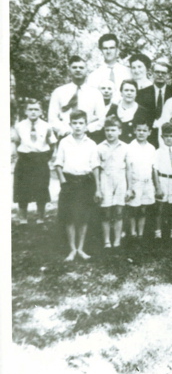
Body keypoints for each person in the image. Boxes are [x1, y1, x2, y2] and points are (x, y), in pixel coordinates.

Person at [54, 110, 100, 261]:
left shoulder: (91, 144)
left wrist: (98, 188)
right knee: (69, 217)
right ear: (70, 124)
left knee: (83, 217)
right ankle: (72, 249)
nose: (78, 126)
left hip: (86, 183)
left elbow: (95, 167)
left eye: (81, 123)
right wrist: (63, 182)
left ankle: (81, 248)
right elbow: (58, 164)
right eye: (75, 123)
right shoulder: (64, 142)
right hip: (69, 183)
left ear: (86, 125)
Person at [13, 99, 56, 225]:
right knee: (22, 188)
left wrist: (44, 158)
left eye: (36, 109)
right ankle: (23, 218)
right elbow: (16, 142)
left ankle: (41, 217)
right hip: (25, 159)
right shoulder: (19, 126)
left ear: (41, 111)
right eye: (30, 109)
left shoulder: (46, 126)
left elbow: (52, 144)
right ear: (25, 111)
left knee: (41, 188)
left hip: (40, 159)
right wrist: (22, 155)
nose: (33, 112)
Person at [49, 55, 106, 139]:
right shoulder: (59, 92)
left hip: (89, 136)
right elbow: (52, 118)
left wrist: (86, 129)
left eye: (81, 67)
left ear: (86, 70)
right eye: (74, 67)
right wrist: (65, 130)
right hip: (65, 136)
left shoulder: (95, 93)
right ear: (69, 70)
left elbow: (101, 118)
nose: (78, 69)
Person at [97, 117, 128, 248]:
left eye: (113, 130)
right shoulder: (99, 147)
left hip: (120, 180)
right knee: (106, 212)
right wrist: (98, 188)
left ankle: (117, 240)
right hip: (105, 180)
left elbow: (129, 168)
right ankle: (106, 241)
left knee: (119, 211)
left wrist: (130, 188)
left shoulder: (125, 147)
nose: (110, 133)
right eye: (107, 130)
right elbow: (97, 169)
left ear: (119, 131)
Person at [136, 59, 172, 148]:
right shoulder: (141, 93)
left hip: (168, 135)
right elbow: (140, 115)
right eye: (157, 72)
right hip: (148, 135)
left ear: (168, 75)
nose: (160, 75)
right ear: (152, 73)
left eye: (163, 73)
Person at [125, 120, 156, 239]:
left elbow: (153, 168)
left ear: (149, 132)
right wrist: (130, 187)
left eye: (144, 131)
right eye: (139, 130)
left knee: (143, 208)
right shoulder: (130, 147)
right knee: (133, 208)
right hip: (135, 182)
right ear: (134, 131)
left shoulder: (151, 148)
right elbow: (128, 168)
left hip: (147, 182)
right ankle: (133, 232)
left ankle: (140, 233)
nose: (141, 133)